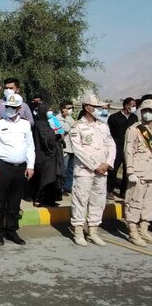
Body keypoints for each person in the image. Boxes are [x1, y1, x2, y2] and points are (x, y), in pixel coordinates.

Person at [0, 93, 35, 245]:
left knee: (14, 202)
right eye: (7, 106)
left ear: (20, 108)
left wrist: (30, 165)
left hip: (20, 168)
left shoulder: (25, 124)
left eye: (13, 107)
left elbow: (29, 146)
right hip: (2, 166)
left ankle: (12, 231)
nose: (10, 109)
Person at [69, 94, 116, 247]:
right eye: (94, 107)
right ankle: (78, 231)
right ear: (86, 107)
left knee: (98, 200)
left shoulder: (103, 126)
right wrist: (95, 165)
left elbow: (111, 145)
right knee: (80, 199)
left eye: (98, 107)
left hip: (102, 170)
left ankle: (94, 231)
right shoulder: (77, 127)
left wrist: (107, 163)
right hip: (85, 170)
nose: (97, 109)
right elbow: (78, 150)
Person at [122, 99, 152, 247]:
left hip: (151, 172)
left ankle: (144, 229)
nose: (147, 114)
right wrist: (130, 171)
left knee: (148, 203)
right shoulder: (134, 129)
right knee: (134, 202)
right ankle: (132, 230)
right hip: (138, 172)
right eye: (145, 111)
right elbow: (128, 151)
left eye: (150, 111)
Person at [107, 97, 138, 199]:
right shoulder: (114, 117)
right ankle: (109, 190)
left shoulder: (134, 118)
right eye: (132, 105)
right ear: (126, 106)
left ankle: (124, 191)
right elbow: (109, 133)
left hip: (129, 147)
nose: (134, 107)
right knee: (113, 168)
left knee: (127, 169)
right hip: (117, 147)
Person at [32, 104, 63, 207]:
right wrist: (57, 136)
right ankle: (40, 198)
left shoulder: (46, 123)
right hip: (43, 155)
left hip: (50, 155)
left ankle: (50, 199)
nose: (50, 113)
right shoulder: (40, 124)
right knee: (45, 177)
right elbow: (46, 139)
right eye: (47, 111)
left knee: (52, 177)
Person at [56, 101, 76, 194]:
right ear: (62, 109)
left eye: (71, 108)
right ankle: (60, 187)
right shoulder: (57, 119)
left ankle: (68, 186)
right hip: (64, 148)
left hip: (72, 147)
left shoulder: (71, 119)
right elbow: (64, 129)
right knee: (63, 168)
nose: (70, 110)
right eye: (68, 108)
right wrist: (68, 118)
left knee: (70, 169)